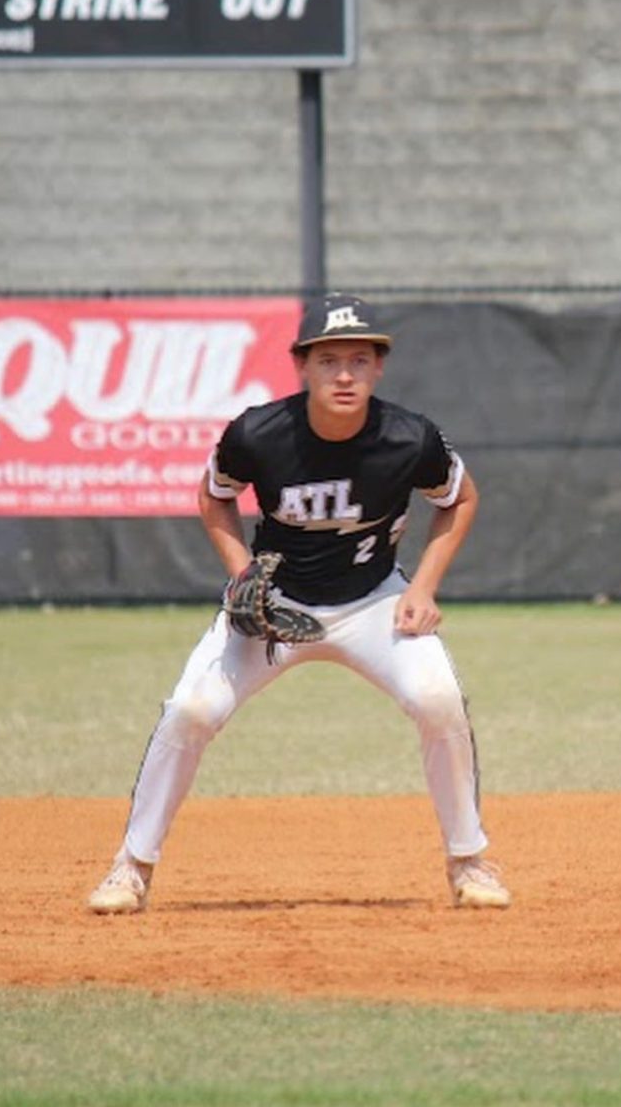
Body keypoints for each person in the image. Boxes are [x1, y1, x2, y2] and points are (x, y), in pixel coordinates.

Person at [88, 292, 510, 913]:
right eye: (329, 359)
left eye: (360, 360)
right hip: (275, 607)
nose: (345, 374)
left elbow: (461, 498)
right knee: (192, 709)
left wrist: (422, 588)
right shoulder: (258, 434)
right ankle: (131, 869)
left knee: (438, 698)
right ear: (302, 366)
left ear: (379, 367)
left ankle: (469, 862)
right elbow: (214, 497)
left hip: (372, 602)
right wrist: (241, 577)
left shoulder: (408, 438)